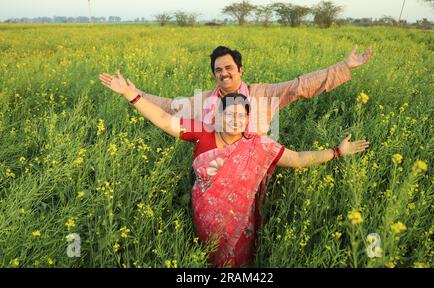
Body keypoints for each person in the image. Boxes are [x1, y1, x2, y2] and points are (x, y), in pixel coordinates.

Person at [103, 74, 370, 268]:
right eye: (228, 114)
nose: (234, 119)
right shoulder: (202, 134)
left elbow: (298, 158)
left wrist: (337, 151)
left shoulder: (259, 145)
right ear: (218, 116)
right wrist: (131, 95)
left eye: (240, 115)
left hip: (240, 228)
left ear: (247, 119)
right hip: (204, 221)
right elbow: (164, 120)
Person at [99, 45, 372, 135]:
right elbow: (169, 107)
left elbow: (300, 86)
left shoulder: (262, 94)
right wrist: (133, 92)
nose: (224, 73)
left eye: (229, 67)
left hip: (254, 172)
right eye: (218, 70)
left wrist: (343, 67)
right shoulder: (205, 100)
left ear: (241, 70)